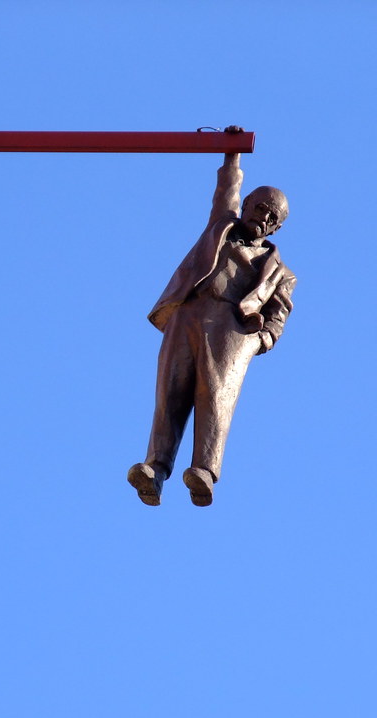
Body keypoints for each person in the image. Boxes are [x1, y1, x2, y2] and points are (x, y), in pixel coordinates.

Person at [127, 127, 296, 507]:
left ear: (278, 227)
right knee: (169, 392)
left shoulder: (281, 273)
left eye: (273, 216)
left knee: (216, 398)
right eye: (260, 207)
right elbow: (226, 191)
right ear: (247, 204)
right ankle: (154, 468)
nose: (264, 217)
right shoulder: (221, 227)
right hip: (190, 312)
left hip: (232, 329)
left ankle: (203, 471)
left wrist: (258, 340)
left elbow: (278, 316)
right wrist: (231, 156)